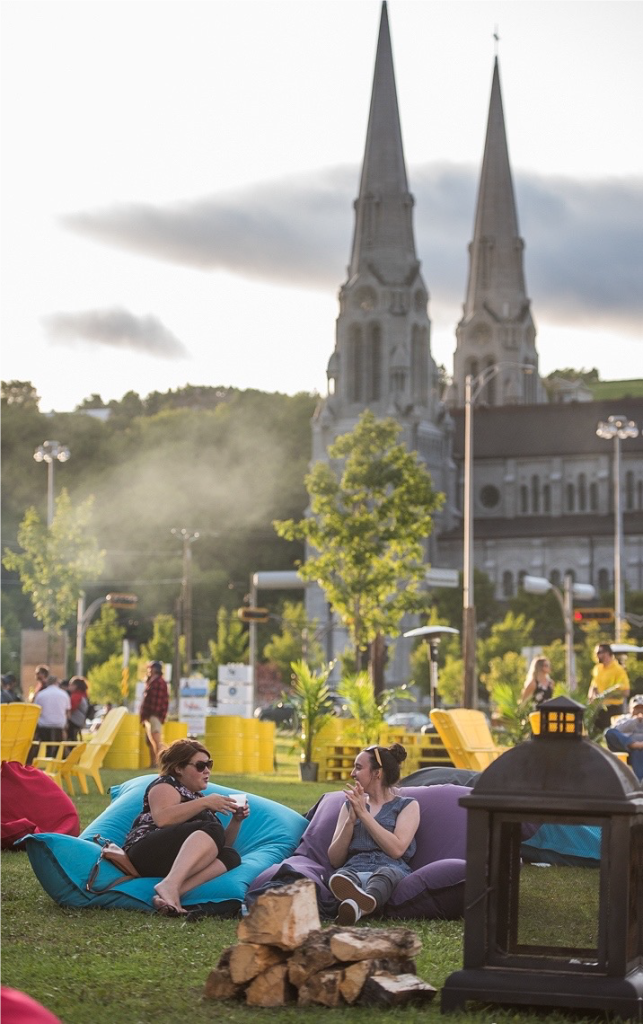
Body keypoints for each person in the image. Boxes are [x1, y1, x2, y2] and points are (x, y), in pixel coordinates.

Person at [122, 739, 248, 915]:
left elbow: (219, 845)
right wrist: (205, 802)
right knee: (212, 828)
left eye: (209, 765)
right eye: (200, 766)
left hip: (173, 859)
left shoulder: (197, 797)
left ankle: (169, 893)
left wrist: (237, 820)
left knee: (230, 855)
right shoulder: (165, 784)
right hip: (145, 851)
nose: (207, 771)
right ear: (178, 768)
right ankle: (170, 884)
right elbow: (163, 819)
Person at [327, 742, 420, 925]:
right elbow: (335, 860)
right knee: (342, 876)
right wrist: (350, 821)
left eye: (358, 767)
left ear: (377, 773)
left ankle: (360, 904)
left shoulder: (407, 805)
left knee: (385, 874)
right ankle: (358, 905)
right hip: (354, 868)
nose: (352, 773)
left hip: (390, 868)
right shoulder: (349, 806)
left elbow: (396, 850)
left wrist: (364, 814)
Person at [588, 642, 630, 733]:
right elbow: (594, 685)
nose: (596, 655)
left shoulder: (618, 670)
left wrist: (606, 695)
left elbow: (626, 692)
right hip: (598, 708)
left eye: (598, 653)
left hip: (613, 709)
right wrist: (591, 697)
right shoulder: (597, 668)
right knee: (595, 735)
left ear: (607, 653)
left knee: (610, 735)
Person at [604, 695, 643, 780]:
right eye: (636, 708)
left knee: (638, 750)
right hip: (625, 746)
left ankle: (639, 782)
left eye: (642, 708)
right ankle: (634, 744)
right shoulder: (623, 718)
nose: (639, 710)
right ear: (630, 708)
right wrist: (634, 720)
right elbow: (616, 730)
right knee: (609, 732)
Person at [32, 675, 71, 759]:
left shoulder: (40, 694)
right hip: (59, 725)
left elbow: (36, 711)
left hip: (44, 725)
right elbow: (67, 712)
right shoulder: (64, 694)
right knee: (59, 741)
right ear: (57, 683)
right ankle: (59, 755)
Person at [139, 661, 169, 768]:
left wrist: (154, 715)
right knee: (151, 741)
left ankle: (163, 763)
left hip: (154, 715)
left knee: (156, 740)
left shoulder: (158, 682)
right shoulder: (153, 681)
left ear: (155, 669)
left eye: (150, 668)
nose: (148, 670)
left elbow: (158, 702)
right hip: (150, 716)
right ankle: (154, 764)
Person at [67, 676, 90, 742]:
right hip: (80, 719)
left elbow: (71, 708)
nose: (69, 686)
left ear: (75, 686)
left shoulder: (76, 695)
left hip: (75, 720)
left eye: (70, 685)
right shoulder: (83, 694)